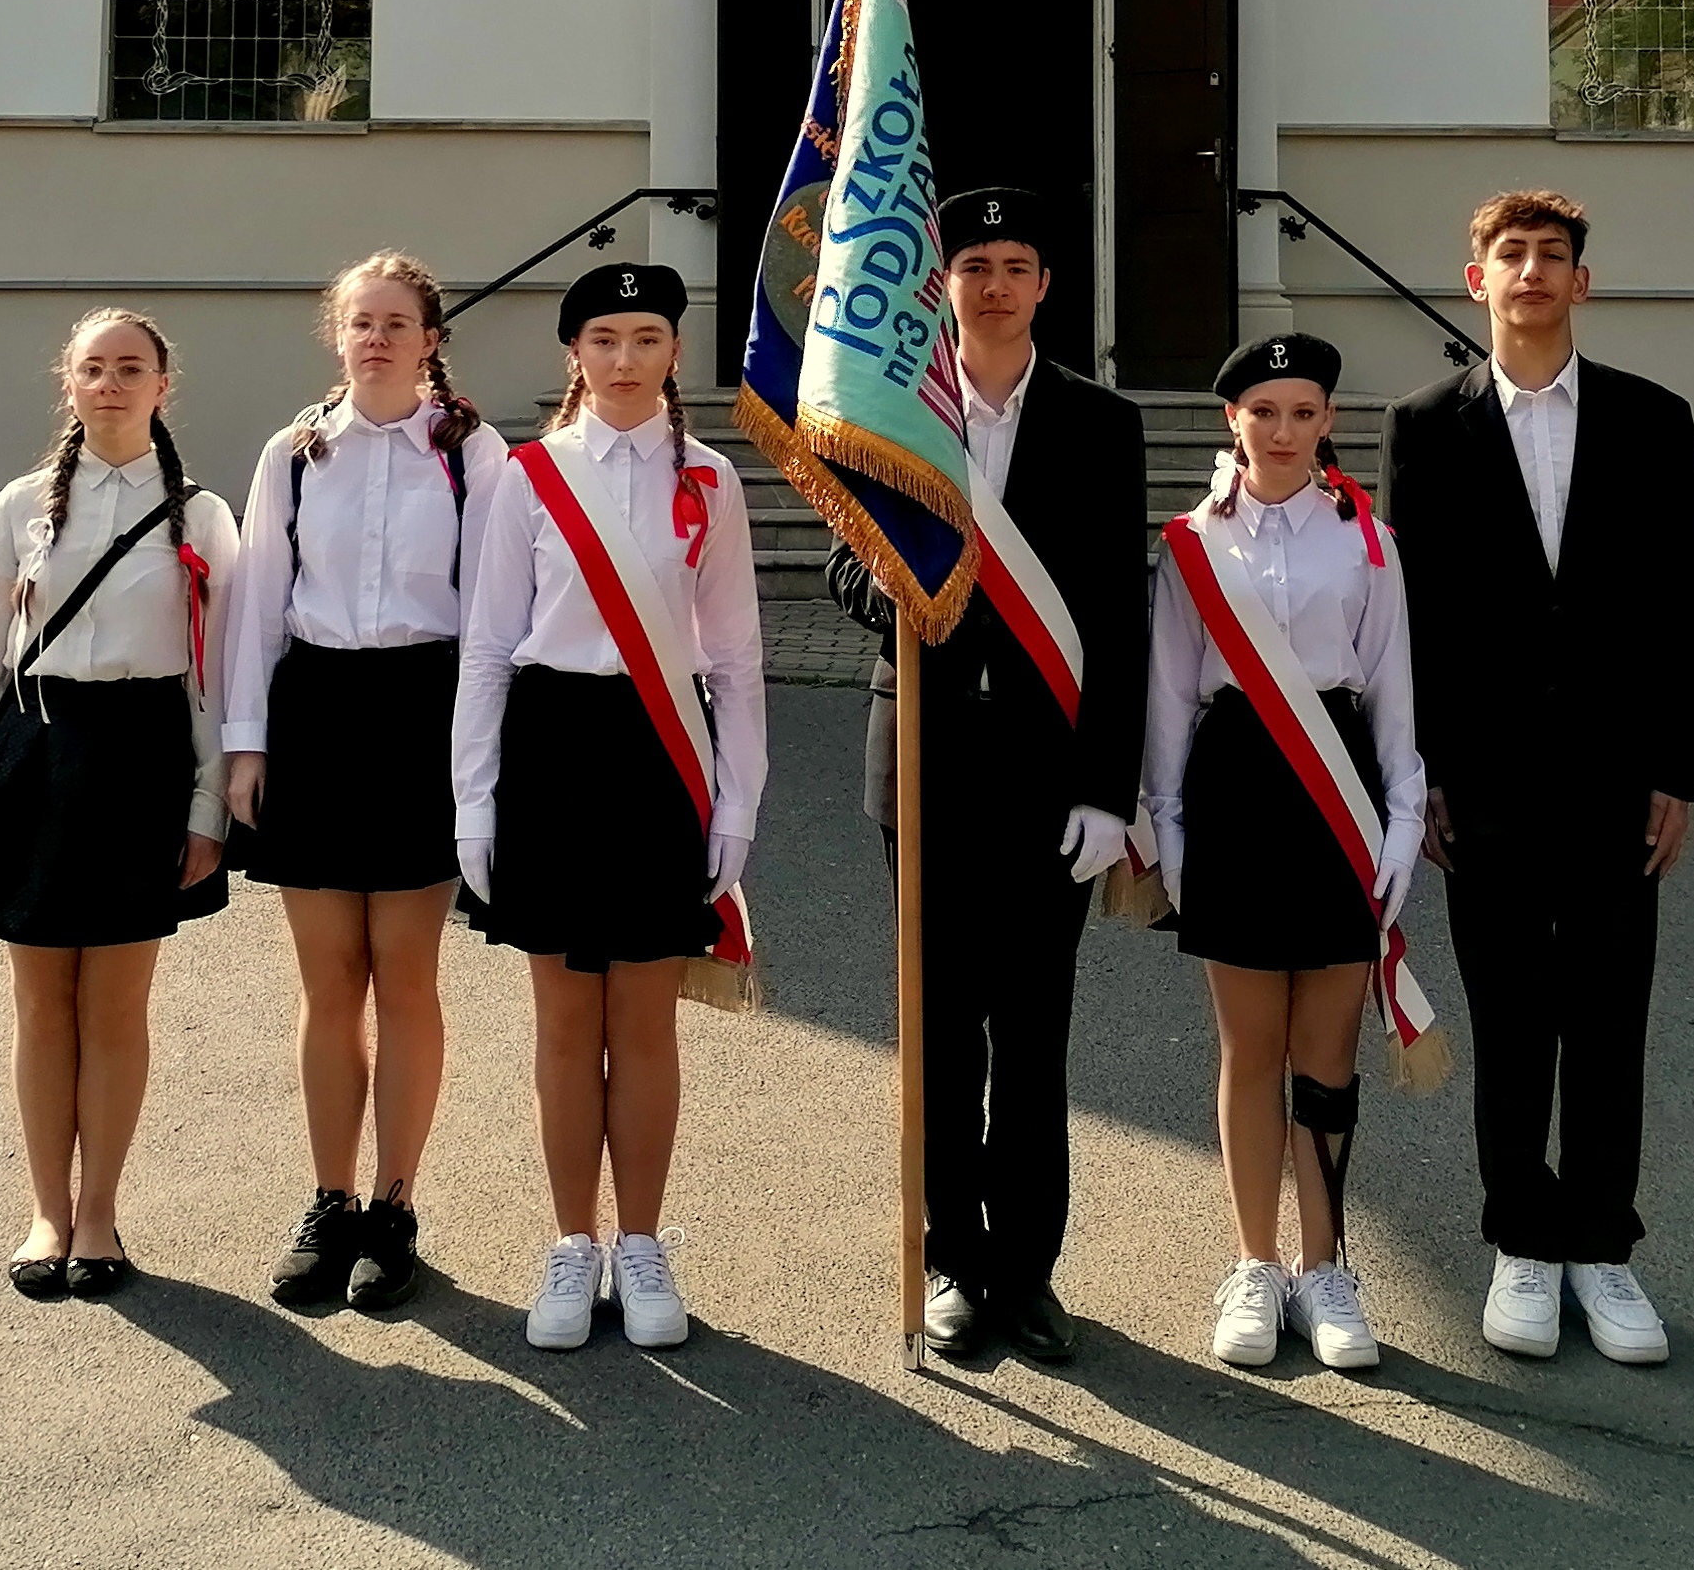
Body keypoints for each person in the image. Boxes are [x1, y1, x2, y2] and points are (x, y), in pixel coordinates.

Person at [1376, 190, 1694, 1368]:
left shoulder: (1651, 419)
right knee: (1513, 1017)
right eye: (1509, 253)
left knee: (1609, 1017)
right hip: (1486, 780)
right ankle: (1521, 1237)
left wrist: (1675, 768)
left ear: (1580, 280)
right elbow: (1408, 615)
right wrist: (1421, 770)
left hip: (1617, 778)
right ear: (1476, 280)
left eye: (1550, 253)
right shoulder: (1423, 425)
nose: (1530, 270)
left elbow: (1678, 606)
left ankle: (1602, 1244)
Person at [824, 187, 1148, 1366]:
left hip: (1049, 776)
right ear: (942, 284)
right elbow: (843, 572)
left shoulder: (1101, 423)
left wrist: (1108, 788)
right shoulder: (892, 411)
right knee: (940, 1030)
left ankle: (1027, 1268)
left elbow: (1117, 615)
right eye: (975, 265)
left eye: (1016, 264)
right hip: (924, 763)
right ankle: (950, 1258)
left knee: (1033, 1031)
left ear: (1044, 284)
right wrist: (889, 581)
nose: (996, 284)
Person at [452, 263, 767, 1353]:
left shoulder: (709, 481)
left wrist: (737, 802)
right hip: (551, 750)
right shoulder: (528, 476)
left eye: (645, 338)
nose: (624, 359)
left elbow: (735, 658)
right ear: (573, 354)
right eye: (602, 339)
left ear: (675, 352)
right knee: (561, 1022)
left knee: (642, 1020)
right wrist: (473, 802)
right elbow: (488, 646)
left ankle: (640, 1241)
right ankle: (569, 1242)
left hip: (659, 755)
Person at [0, 307, 237, 1302]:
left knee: (115, 1003)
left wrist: (207, 802)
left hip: (144, 757)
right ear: (68, 383)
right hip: (35, 750)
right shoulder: (20, 506)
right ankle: (45, 1213)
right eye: (93, 368)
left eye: (130, 367)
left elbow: (213, 673)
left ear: (162, 386)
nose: (110, 383)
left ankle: (98, 1213)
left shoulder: (202, 515)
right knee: (38, 1000)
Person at [221, 251, 507, 1315]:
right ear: (335, 337)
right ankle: (329, 1200)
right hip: (316, 714)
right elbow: (256, 603)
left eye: (396, 322)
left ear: (430, 339)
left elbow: (494, 613)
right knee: (328, 981)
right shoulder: (294, 453)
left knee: (405, 975)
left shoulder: (472, 452)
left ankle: (394, 1208)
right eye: (359, 322)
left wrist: (480, 756)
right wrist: (246, 743)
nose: (376, 338)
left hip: (424, 710)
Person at [1145, 332, 1423, 1374]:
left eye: (1302, 412)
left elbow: (1390, 682)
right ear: (1233, 421)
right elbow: (1169, 689)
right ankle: (1255, 1263)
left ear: (1327, 421)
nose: (1282, 430)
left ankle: (1325, 1264)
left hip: (1339, 787)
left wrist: (1403, 812)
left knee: (1327, 1049)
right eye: (1262, 411)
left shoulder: (1369, 543)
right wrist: (1166, 822)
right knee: (1249, 1046)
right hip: (1235, 788)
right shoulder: (1192, 543)